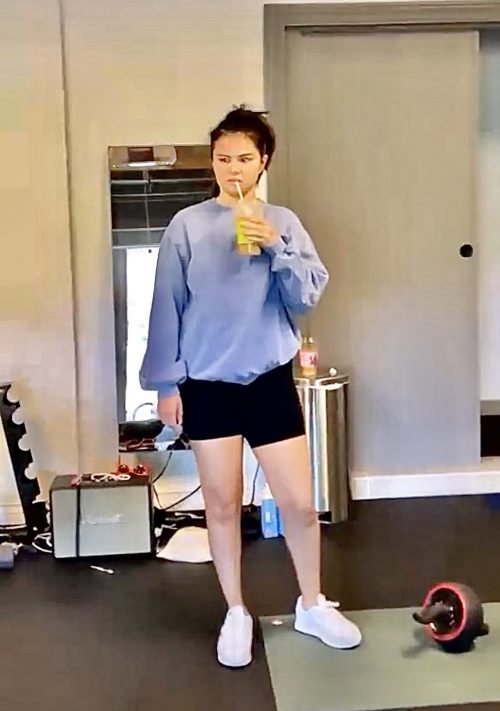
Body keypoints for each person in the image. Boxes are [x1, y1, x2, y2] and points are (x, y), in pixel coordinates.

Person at [140, 106, 362, 667]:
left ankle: (311, 603)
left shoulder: (283, 221)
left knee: (299, 505)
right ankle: (236, 611)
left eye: (243, 158)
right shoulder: (186, 226)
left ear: (263, 162)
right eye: (222, 158)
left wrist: (276, 246)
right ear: (213, 163)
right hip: (207, 385)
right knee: (220, 505)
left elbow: (306, 298)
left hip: (268, 380)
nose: (232, 168)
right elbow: (167, 306)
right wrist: (166, 384)